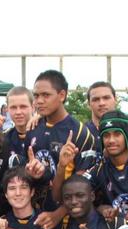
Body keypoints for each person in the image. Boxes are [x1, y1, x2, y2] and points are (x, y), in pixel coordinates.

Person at [28, 69, 97, 213]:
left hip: (68, 217)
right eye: (36, 96)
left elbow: (83, 186)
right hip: (36, 214)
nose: (39, 101)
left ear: (62, 95)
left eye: (46, 95)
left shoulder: (80, 133)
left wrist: (58, 214)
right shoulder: (33, 126)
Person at [86, 81, 118, 148]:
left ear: (115, 100)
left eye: (106, 98)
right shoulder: (81, 133)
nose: (101, 103)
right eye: (95, 99)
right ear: (88, 104)